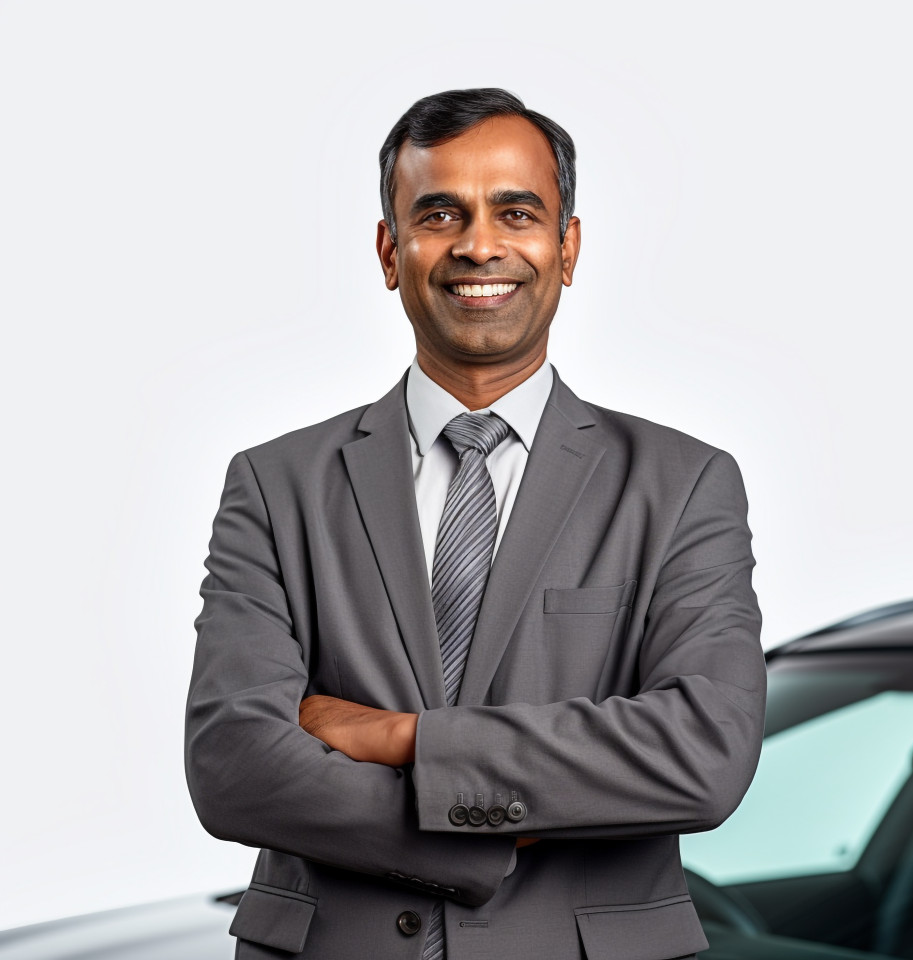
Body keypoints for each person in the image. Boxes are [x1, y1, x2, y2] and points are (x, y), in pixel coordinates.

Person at [185, 87, 767, 960]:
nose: (479, 245)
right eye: (439, 214)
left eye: (517, 213)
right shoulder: (277, 485)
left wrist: (405, 739)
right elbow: (234, 764)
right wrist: (481, 837)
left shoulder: (683, 486)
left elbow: (702, 754)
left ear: (567, 248)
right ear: (391, 251)